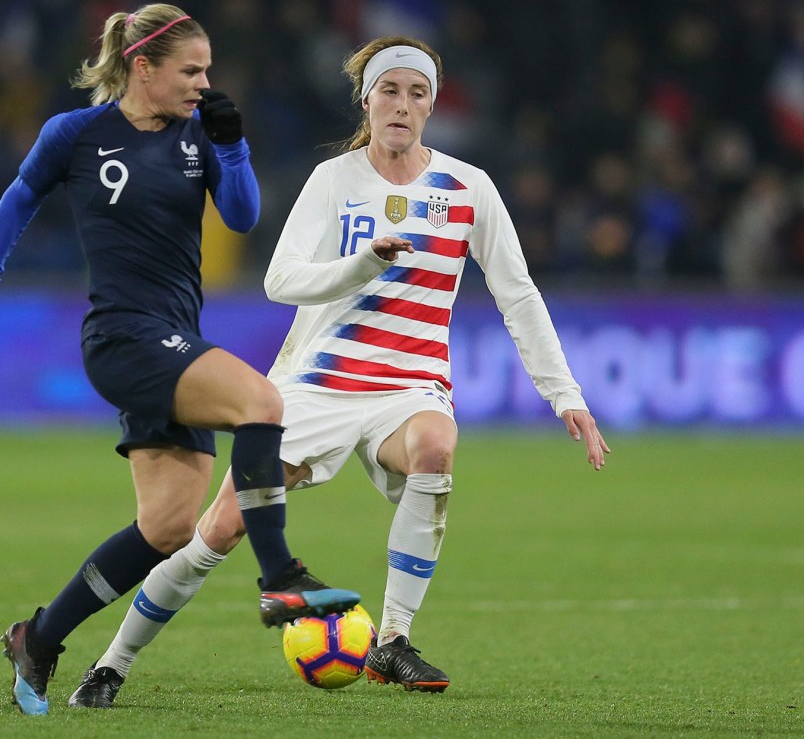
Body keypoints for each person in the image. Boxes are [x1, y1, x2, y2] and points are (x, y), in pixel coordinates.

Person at [67, 35, 610, 708]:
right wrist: (365, 263)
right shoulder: (334, 181)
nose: (403, 104)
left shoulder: (469, 188)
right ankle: (112, 663)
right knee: (220, 530)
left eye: (418, 93)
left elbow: (518, 293)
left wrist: (566, 396)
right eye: (390, 90)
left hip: (409, 388)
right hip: (314, 386)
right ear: (367, 99)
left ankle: (393, 639)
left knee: (436, 447)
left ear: (432, 106)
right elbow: (279, 278)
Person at [0, 3, 360, 716]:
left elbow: (246, 216)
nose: (203, 83)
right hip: (122, 338)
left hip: (171, 338)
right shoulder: (75, 133)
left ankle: (38, 636)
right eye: (190, 70)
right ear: (142, 67)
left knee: (167, 528)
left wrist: (233, 147)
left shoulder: (198, 137)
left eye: (208, 71)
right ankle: (280, 574)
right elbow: (18, 198)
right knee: (263, 403)